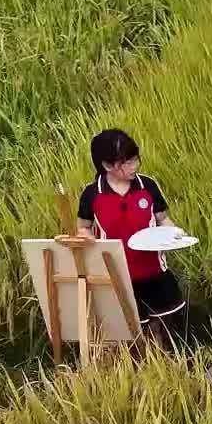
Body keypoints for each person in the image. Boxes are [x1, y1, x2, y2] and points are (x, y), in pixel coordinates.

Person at [76, 128, 185, 348]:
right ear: (107, 165)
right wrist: (87, 241)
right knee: (132, 332)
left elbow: (163, 220)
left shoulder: (147, 186)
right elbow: (83, 228)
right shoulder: (92, 194)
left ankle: (174, 366)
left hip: (154, 271)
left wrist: (176, 234)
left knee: (168, 326)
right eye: (126, 162)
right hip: (119, 276)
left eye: (135, 159)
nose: (134, 166)